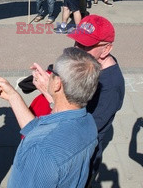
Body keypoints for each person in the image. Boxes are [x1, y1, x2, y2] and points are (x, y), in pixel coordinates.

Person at [28, 15, 125, 186]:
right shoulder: (90, 63)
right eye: (77, 41)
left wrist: (50, 95)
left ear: (106, 49)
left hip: (80, 157)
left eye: (85, 45)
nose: (77, 49)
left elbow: (82, 130)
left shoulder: (111, 87)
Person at [0, 47, 100, 188]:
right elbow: (37, 130)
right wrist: (13, 96)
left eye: (52, 72)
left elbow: (41, 141)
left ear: (57, 83)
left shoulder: (39, 152)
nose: (49, 75)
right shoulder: (88, 122)